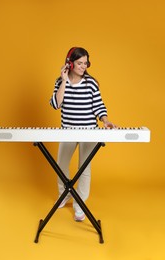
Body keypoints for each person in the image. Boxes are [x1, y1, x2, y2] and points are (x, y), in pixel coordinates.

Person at [50, 47, 116, 221]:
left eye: (85, 63)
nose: (83, 66)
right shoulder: (60, 82)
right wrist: (64, 80)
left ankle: (80, 203)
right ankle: (65, 193)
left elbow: (99, 106)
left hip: (89, 132)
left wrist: (106, 120)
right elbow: (56, 105)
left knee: (84, 169)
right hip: (67, 132)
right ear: (70, 63)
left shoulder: (91, 83)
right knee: (60, 164)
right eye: (79, 63)